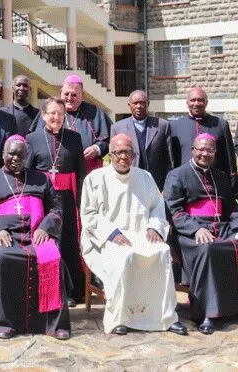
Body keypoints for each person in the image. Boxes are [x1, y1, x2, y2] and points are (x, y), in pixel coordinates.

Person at [80, 134, 188, 336]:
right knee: (124, 256)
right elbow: (89, 214)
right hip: (106, 238)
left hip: (140, 234)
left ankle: (165, 316)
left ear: (134, 155)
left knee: (163, 252)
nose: (123, 157)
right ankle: (119, 318)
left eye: (128, 152)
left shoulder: (144, 177)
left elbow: (157, 207)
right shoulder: (94, 179)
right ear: (110, 155)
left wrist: (154, 227)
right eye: (118, 152)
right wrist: (112, 233)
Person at [0, 135, 70, 340]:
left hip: (35, 235)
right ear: (3, 154)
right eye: (11, 153)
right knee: (1, 258)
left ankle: (53, 324)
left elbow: (56, 209)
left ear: (27, 156)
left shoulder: (41, 179)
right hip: (3, 237)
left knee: (53, 258)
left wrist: (45, 227)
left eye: (21, 154)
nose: (16, 158)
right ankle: (2, 324)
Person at [164, 133, 238, 334]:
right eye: (201, 149)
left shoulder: (221, 176)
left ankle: (232, 308)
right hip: (190, 231)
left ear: (215, 153)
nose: (205, 154)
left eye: (210, 150)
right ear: (193, 150)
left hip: (221, 227)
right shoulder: (177, 175)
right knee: (208, 249)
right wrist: (197, 228)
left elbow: (231, 210)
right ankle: (206, 313)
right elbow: (174, 211)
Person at [26, 97, 86, 306]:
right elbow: (27, 172)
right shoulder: (32, 138)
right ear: (43, 116)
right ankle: (46, 287)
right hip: (43, 200)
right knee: (47, 241)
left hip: (67, 197)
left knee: (68, 241)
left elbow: (81, 172)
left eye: (60, 114)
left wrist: (80, 201)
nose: (56, 117)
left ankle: (70, 290)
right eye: (52, 113)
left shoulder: (74, 138)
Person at [31, 74, 111, 174]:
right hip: (52, 171)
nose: (69, 98)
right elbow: (36, 140)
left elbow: (109, 139)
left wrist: (97, 148)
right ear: (60, 93)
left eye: (74, 95)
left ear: (82, 95)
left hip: (87, 171)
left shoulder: (94, 113)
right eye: (66, 94)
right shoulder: (49, 110)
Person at [170, 87, 236, 191]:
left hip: (215, 182)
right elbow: (173, 158)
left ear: (206, 102)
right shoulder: (174, 126)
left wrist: (232, 180)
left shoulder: (221, 125)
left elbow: (229, 156)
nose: (196, 103)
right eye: (192, 100)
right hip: (186, 183)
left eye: (200, 100)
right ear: (187, 103)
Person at [110, 90, 173, 191]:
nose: (139, 106)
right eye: (135, 103)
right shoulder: (117, 128)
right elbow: (113, 160)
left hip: (156, 185)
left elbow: (169, 160)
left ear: (148, 104)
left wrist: (166, 188)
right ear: (129, 105)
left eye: (142, 103)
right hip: (128, 184)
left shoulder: (162, 126)